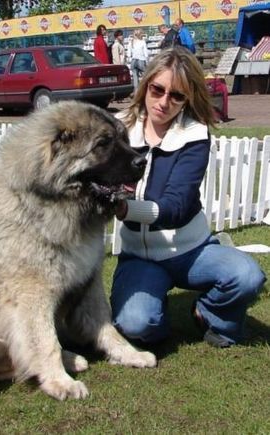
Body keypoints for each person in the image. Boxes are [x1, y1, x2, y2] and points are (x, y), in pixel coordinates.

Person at [111, 47, 266, 349]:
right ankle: (152, 304)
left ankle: (209, 314)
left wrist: (124, 208)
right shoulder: (117, 128)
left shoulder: (195, 134)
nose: (164, 102)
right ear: (145, 85)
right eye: (158, 89)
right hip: (139, 256)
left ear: (188, 99)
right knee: (137, 324)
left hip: (191, 250)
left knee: (247, 277)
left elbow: (178, 205)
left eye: (177, 96)